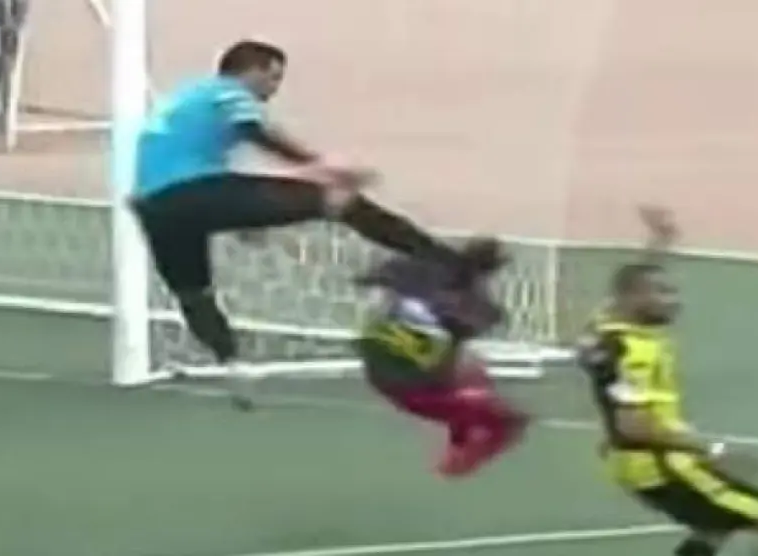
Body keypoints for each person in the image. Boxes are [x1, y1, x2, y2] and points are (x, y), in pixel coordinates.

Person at [132, 40, 467, 410]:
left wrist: (243, 216)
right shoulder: (227, 91)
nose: (274, 88)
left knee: (194, 295)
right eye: (273, 78)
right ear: (251, 70)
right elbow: (256, 131)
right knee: (337, 199)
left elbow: (190, 166)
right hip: (194, 191)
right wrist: (320, 165)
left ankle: (231, 365)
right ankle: (449, 262)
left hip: (154, 207)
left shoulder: (186, 99)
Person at [576, 207, 758, 556]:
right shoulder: (630, 353)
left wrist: (659, 242)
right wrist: (711, 450)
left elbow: (627, 285)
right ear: (634, 298)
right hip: (661, 465)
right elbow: (634, 426)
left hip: (646, 462)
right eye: (663, 293)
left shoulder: (607, 325)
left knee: (714, 530)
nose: (675, 301)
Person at [354, 237, 530, 478]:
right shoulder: (475, 308)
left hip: (378, 365)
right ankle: (460, 453)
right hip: (409, 384)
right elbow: (459, 342)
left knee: (467, 373)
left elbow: (369, 278)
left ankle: (460, 442)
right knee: (503, 416)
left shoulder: (410, 270)